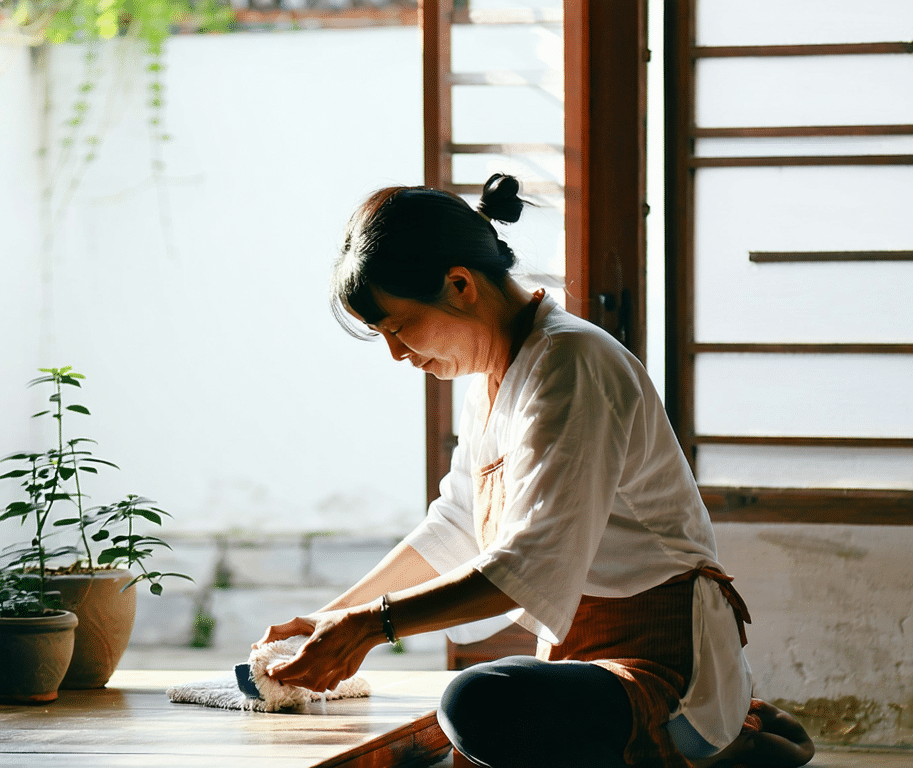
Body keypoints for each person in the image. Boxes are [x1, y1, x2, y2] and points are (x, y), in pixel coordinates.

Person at [257, 174, 813, 768]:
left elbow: (527, 565)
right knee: (480, 711)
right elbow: (457, 526)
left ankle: (721, 739)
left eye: (398, 327)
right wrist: (332, 618)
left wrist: (371, 626)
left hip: (663, 667)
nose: (398, 353)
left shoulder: (572, 362)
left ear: (460, 285)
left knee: (479, 702)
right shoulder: (494, 379)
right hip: (579, 657)